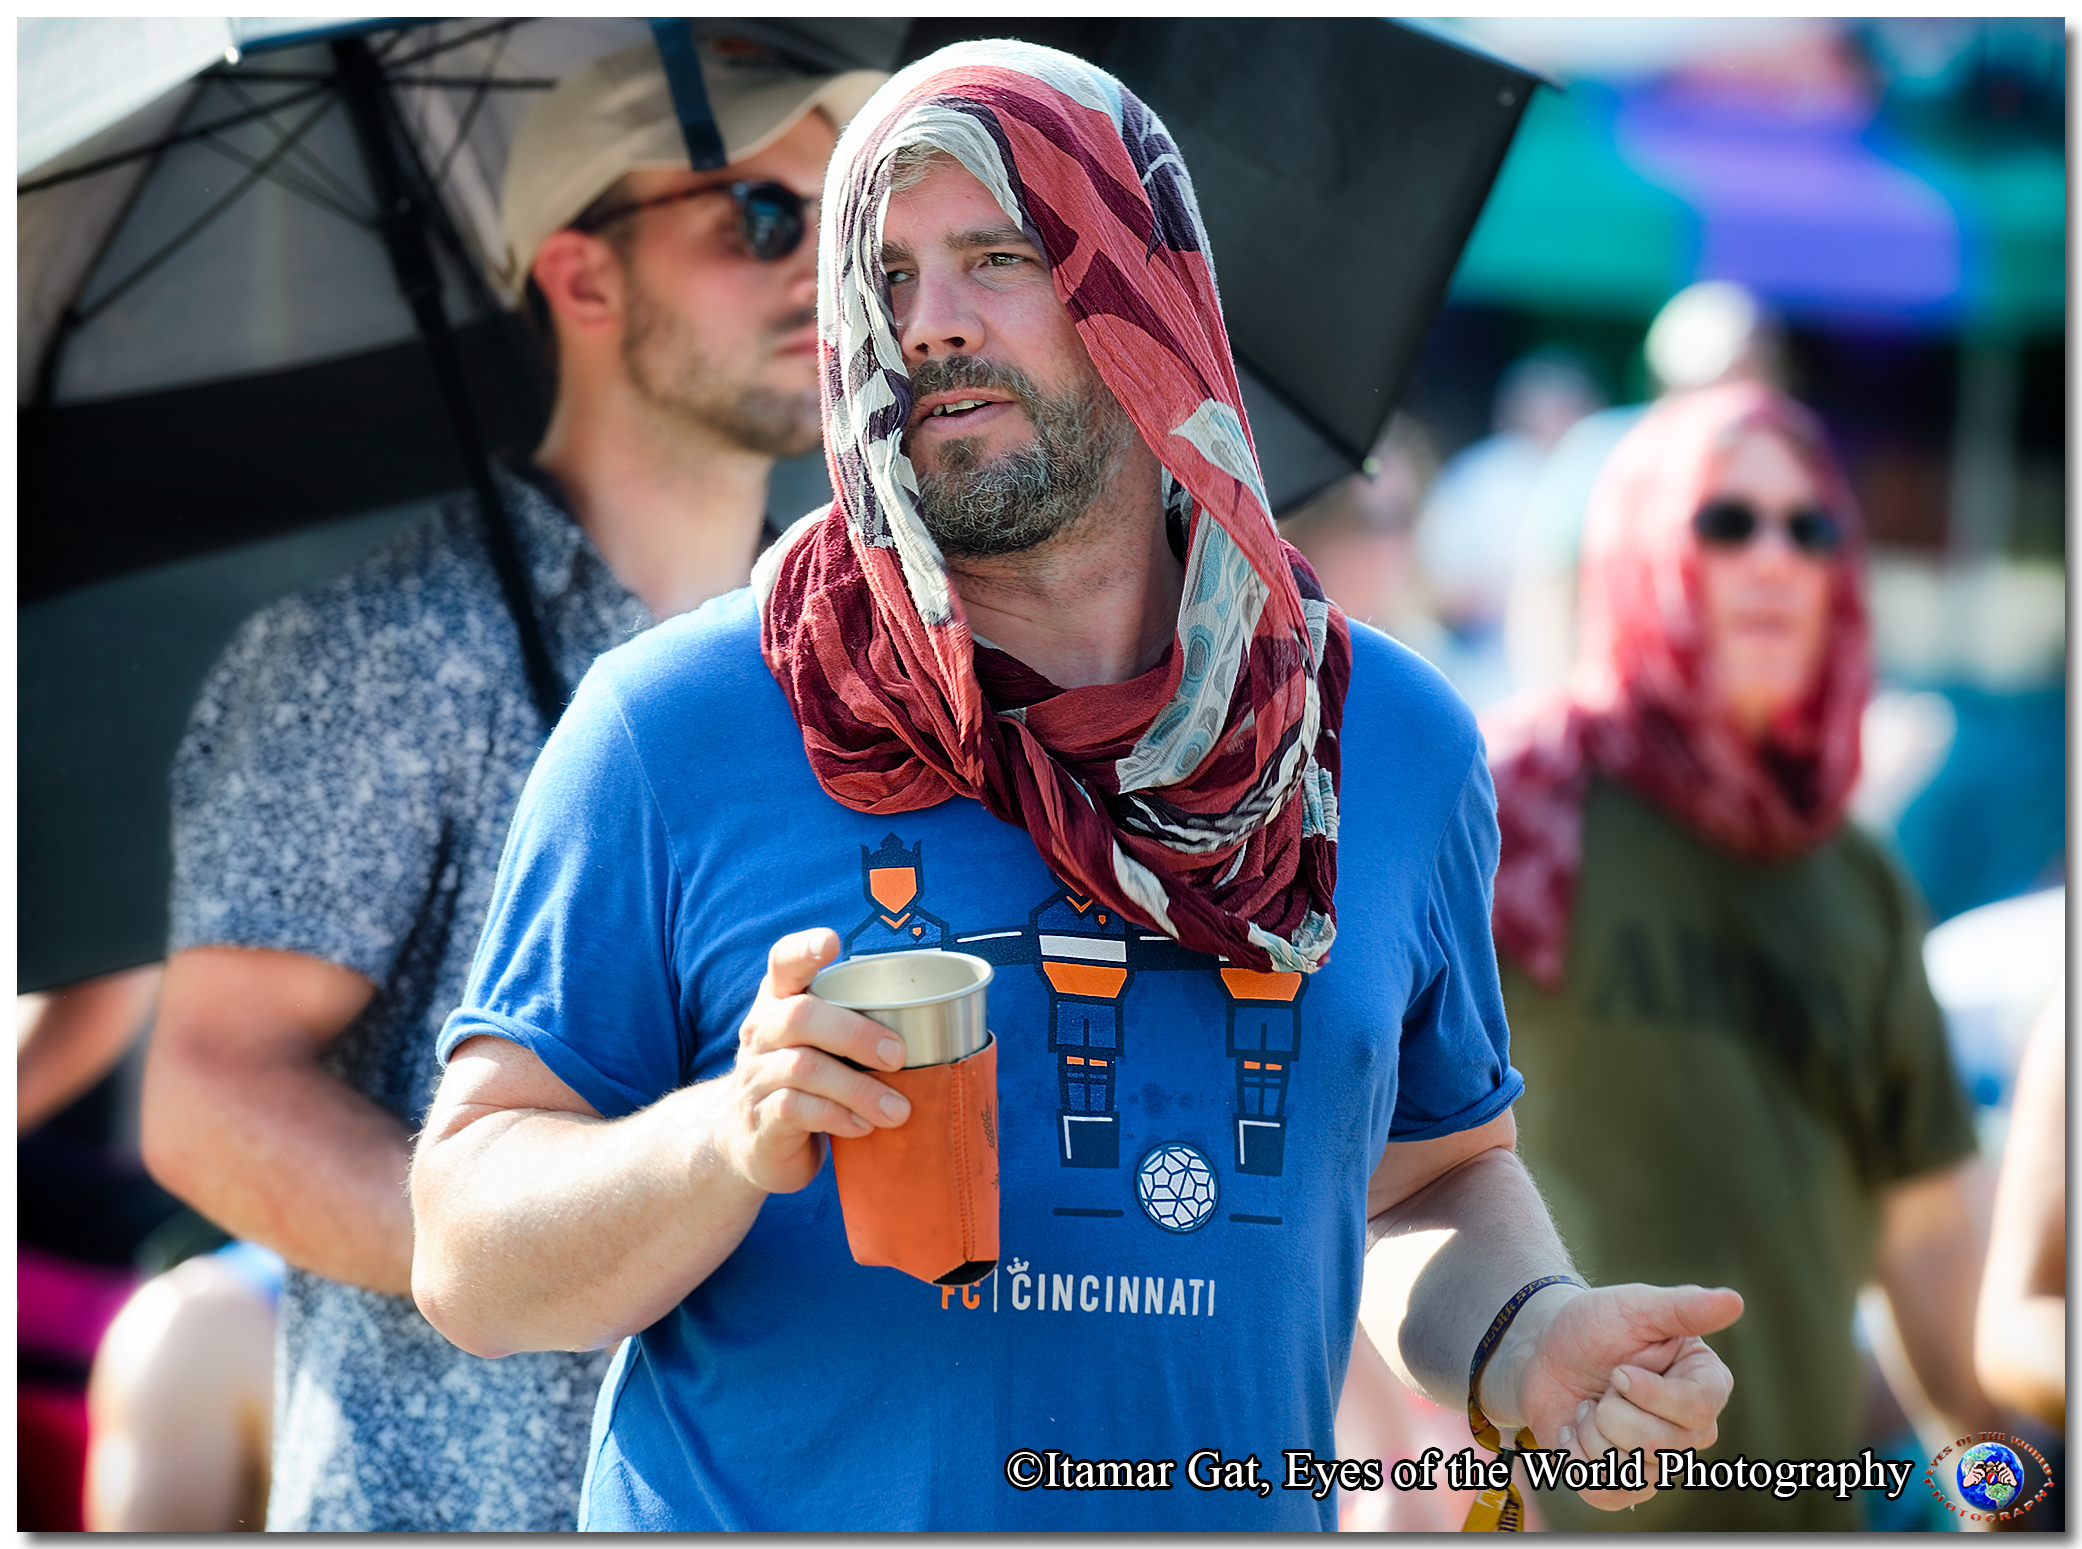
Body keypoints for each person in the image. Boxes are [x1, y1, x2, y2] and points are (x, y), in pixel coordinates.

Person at [408, 41, 1738, 1533]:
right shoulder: (683, 725)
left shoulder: (1383, 741)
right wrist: (722, 1139)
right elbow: (466, 1257)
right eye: (886, 275)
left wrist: (1528, 1336)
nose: (929, 322)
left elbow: (1424, 1177)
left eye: (999, 255)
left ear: (1143, 293)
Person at [138, 37, 885, 1532]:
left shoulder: (873, 656)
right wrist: (588, 1238)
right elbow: (206, 1096)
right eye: (758, 216)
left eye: (846, 220)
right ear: (582, 277)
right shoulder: (387, 648)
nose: (826, 270)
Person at [1480, 381, 1994, 1530]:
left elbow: (1926, 1237)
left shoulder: (1861, 882)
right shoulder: (1516, 808)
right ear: (1642, 547)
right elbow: (1375, 1167)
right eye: (1727, 521)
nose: (1774, 559)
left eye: (1810, 528)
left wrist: (2004, 1486)